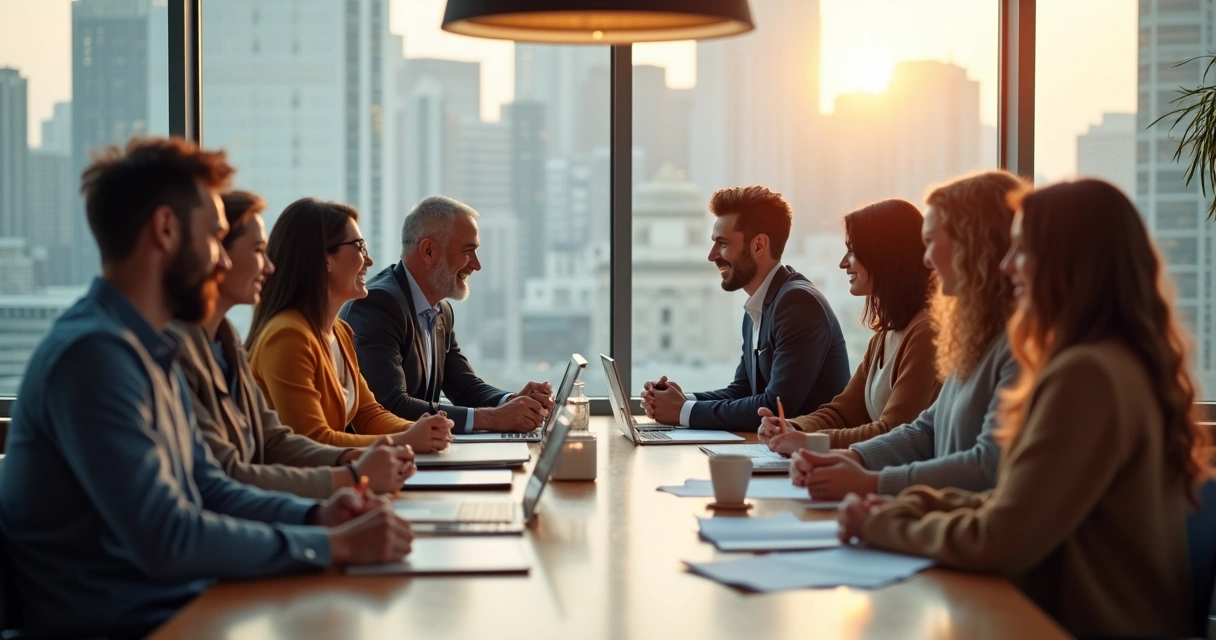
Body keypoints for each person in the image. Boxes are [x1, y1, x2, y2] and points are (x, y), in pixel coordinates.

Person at [0, 138, 414, 636]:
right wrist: (334, 544)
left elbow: (208, 486)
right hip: (131, 624)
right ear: (166, 230)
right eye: (216, 238)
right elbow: (167, 534)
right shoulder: (93, 356)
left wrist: (318, 515)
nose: (222, 263)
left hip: (180, 604)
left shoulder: (149, 349)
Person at [836, 178, 1211, 638]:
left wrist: (883, 523)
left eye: (1022, 250)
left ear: (1069, 262)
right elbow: (1013, 496)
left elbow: (1001, 536)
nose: (1007, 266)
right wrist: (909, 504)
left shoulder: (1085, 375)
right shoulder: (1110, 359)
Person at [791, 171, 1024, 500]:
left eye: (932, 242)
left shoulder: (1016, 348)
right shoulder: (972, 336)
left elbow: (986, 467)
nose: (926, 258)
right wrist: (849, 458)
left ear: (972, 246)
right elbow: (926, 431)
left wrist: (868, 481)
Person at [172, 191, 417, 498]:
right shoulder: (283, 335)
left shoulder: (227, 340)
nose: (269, 267)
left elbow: (276, 440)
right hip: (281, 503)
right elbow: (237, 472)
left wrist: (382, 450)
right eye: (258, 250)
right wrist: (357, 472)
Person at [246, 198, 454, 452]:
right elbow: (313, 441)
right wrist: (405, 440)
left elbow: (369, 415)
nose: (369, 261)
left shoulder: (340, 332)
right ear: (323, 258)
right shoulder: (287, 336)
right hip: (302, 486)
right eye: (359, 247)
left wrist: (422, 429)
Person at [639, 185, 851, 430]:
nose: (712, 255)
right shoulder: (759, 305)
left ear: (759, 245)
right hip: (778, 452)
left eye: (722, 243)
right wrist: (681, 400)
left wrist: (681, 411)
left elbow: (776, 407)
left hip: (809, 459)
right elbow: (743, 390)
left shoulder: (798, 304)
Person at [341, 195, 553, 434]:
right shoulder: (377, 304)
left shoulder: (441, 309)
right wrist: (492, 418)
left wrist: (511, 401)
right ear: (428, 251)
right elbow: (390, 406)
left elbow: (463, 386)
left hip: (419, 454)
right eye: (468, 251)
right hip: (380, 461)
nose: (476, 264)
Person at [757, 199, 940, 450]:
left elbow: (893, 432)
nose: (843, 263)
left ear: (884, 255)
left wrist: (810, 441)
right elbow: (843, 414)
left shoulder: (925, 333)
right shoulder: (884, 336)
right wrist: (792, 427)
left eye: (853, 251)